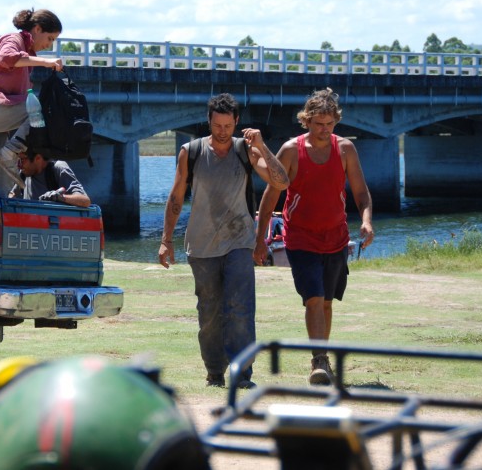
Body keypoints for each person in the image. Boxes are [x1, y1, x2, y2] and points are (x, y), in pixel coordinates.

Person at [159, 93, 289, 389]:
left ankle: (242, 372)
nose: (222, 131)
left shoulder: (246, 151)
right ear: (209, 122)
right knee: (210, 313)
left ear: (236, 123)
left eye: (228, 126)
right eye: (217, 125)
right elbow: (176, 196)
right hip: (201, 246)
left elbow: (281, 182)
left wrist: (263, 146)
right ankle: (214, 371)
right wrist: (166, 239)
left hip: (239, 241)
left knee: (240, 307)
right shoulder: (190, 152)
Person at [254, 87, 374, 386]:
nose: (323, 129)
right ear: (306, 121)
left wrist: (367, 221)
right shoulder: (291, 150)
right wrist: (259, 240)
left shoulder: (345, 149)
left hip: (336, 237)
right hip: (301, 238)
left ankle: (323, 357)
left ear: (336, 122)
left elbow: (360, 192)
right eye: (318, 123)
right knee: (314, 299)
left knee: (328, 302)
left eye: (329, 124)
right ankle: (318, 360)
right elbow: (271, 197)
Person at [0, 8, 63, 196]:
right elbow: (7, 58)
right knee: (41, 108)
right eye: (50, 38)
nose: (50, 45)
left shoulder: (28, 58)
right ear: (37, 29)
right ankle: (11, 152)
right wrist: (47, 63)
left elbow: (16, 107)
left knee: (1, 181)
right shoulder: (13, 39)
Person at [8, 148, 91, 207]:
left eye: (22, 160)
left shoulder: (58, 168)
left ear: (38, 158)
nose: (19, 165)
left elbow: (85, 201)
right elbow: (12, 195)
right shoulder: (24, 173)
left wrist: (60, 198)